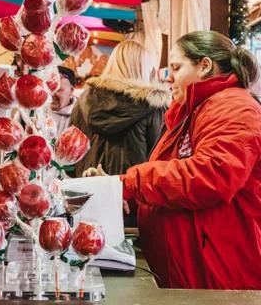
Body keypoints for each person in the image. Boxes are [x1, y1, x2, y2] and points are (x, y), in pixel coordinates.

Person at [90, 31, 261, 289]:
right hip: (195, 266)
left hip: (220, 271)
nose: (168, 76)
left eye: (176, 67)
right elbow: (172, 179)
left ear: (204, 66)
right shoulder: (193, 111)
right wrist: (129, 199)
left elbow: (211, 175)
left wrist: (129, 184)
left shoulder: (235, 108)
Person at [71, 40, 170, 177]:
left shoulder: (84, 101)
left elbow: (70, 155)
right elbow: (161, 160)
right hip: (130, 193)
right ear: (144, 68)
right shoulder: (153, 106)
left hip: (87, 190)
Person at [49, 66, 78, 138]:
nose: (52, 94)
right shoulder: (37, 111)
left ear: (71, 91)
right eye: (49, 89)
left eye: (58, 90)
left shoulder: (81, 116)